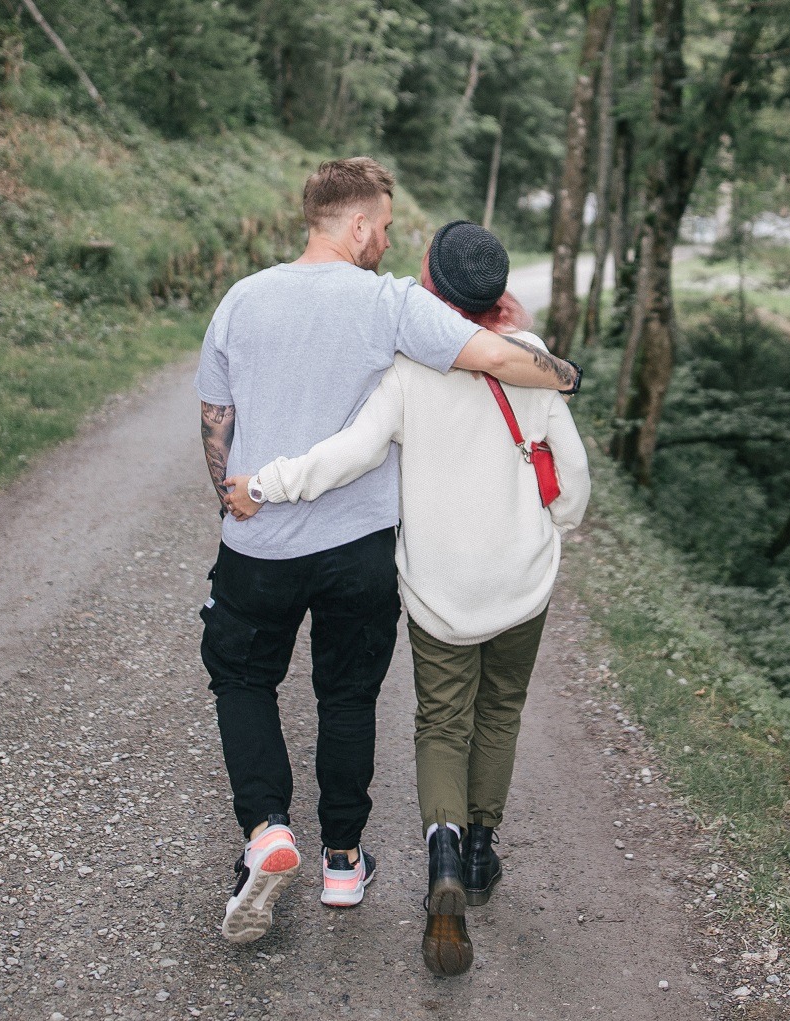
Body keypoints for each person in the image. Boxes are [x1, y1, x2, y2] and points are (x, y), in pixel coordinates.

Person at [195, 160, 581, 945]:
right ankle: (343, 857)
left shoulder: (240, 298)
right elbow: (501, 358)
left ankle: (267, 828)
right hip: (356, 549)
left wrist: (237, 497)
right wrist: (565, 374)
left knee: (242, 678)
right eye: (387, 225)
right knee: (346, 696)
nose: (391, 240)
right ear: (360, 225)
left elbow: (216, 416)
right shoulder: (389, 303)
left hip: (259, 543)